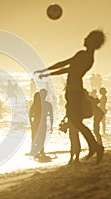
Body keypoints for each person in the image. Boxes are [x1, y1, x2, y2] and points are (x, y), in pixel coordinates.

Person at [35, 29, 105, 164]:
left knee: (76, 121)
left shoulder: (83, 55)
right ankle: (94, 146)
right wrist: (47, 72)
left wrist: (46, 71)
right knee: (76, 121)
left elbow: (65, 65)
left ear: (92, 42)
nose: (84, 38)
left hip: (74, 92)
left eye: (88, 37)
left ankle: (96, 147)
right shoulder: (89, 58)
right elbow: (68, 67)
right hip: (74, 91)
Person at [29, 89, 53, 158]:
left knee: (37, 137)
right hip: (39, 124)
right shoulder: (46, 104)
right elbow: (51, 116)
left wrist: (31, 123)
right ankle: (39, 151)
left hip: (38, 124)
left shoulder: (37, 104)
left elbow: (30, 114)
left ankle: (37, 151)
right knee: (39, 138)